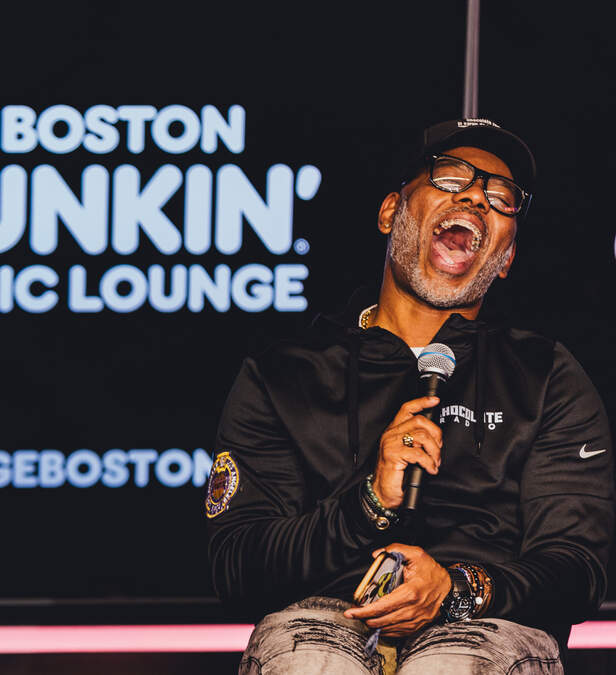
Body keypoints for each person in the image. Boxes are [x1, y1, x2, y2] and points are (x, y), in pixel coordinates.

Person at [206, 119, 613, 674]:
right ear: (390, 212)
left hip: (484, 626)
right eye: (451, 177)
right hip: (322, 621)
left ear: (507, 257)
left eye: (501, 197)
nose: (476, 196)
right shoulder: (283, 375)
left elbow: (577, 569)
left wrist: (458, 589)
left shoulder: (546, 374)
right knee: (312, 661)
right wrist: (368, 503)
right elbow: (236, 568)